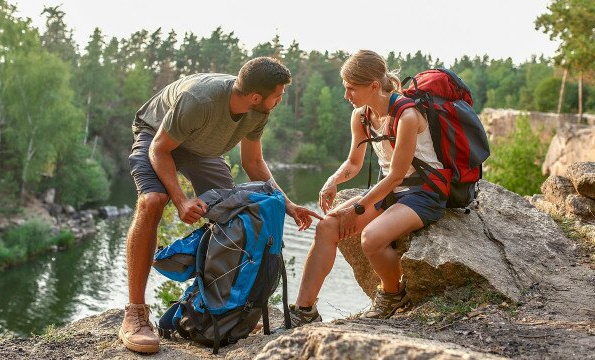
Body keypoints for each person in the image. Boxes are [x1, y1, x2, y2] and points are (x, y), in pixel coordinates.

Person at [120, 57, 322, 353]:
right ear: (256, 96)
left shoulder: (257, 111)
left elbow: (253, 163)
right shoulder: (199, 99)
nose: (280, 100)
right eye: (278, 95)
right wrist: (181, 201)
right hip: (157, 136)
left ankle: (223, 310)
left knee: (238, 213)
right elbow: (160, 149)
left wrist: (288, 205)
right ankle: (135, 313)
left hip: (201, 149)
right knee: (153, 201)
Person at [288, 50, 448, 326]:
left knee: (371, 239)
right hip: (391, 191)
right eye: (345, 88)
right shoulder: (361, 116)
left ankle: (393, 294)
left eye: (351, 89)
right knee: (327, 226)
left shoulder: (407, 116)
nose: (346, 95)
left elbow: (397, 176)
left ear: (374, 86)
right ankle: (304, 311)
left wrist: (359, 207)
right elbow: (353, 162)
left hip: (425, 192)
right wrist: (333, 181)